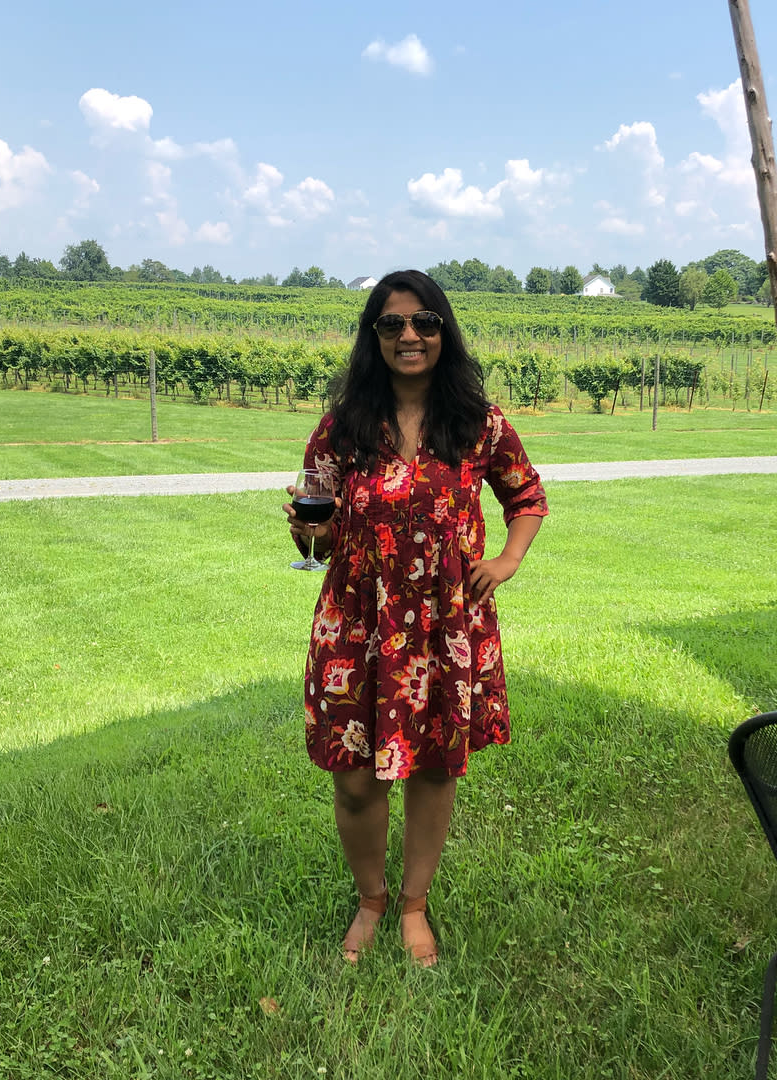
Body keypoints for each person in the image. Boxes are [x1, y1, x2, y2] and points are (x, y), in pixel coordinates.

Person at [283, 269, 547, 967]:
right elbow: (320, 530)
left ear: (443, 332)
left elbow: (526, 497)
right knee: (355, 775)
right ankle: (369, 899)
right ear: (374, 337)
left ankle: (412, 906)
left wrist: (509, 561)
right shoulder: (344, 427)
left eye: (425, 322)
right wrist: (304, 533)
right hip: (357, 626)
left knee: (433, 769)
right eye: (394, 323)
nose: (410, 335)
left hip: (442, 626)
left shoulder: (478, 423)